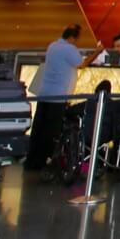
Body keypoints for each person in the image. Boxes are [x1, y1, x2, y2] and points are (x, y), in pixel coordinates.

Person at [26, 25, 85, 171]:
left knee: (38, 128)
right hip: (58, 96)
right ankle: (44, 161)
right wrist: (96, 52)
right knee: (50, 131)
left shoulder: (52, 45)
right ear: (72, 38)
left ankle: (31, 160)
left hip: (44, 93)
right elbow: (82, 64)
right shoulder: (69, 49)